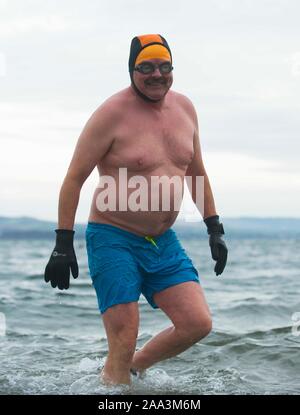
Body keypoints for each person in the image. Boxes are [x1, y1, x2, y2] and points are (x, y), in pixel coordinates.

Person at [44, 34, 228, 386]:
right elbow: (73, 179)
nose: (156, 74)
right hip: (113, 237)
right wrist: (62, 243)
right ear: (132, 70)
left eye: (164, 66)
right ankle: (117, 381)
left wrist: (214, 227)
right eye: (146, 67)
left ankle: (131, 368)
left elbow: (196, 172)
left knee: (197, 323)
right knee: (124, 336)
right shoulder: (111, 114)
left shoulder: (186, 109)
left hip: (162, 241)